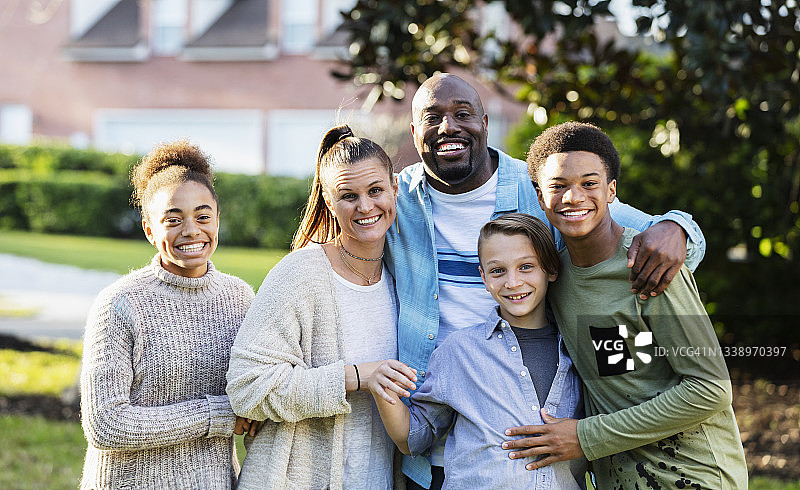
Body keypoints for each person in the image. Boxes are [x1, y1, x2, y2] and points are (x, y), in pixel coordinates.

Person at [384, 73, 708, 489]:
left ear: (484, 122)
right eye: (433, 118)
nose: (449, 127)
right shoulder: (396, 199)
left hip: (540, 429)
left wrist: (677, 226)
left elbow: (650, 238)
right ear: (415, 132)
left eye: (462, 114)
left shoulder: (541, 188)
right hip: (431, 437)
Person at [502, 121, 746, 488]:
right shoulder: (555, 276)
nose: (573, 197)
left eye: (589, 183)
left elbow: (710, 388)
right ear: (539, 196)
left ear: (611, 189)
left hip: (693, 476)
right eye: (558, 186)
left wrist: (585, 436)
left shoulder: (649, 268)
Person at [226, 125, 406, 489]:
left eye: (375, 190)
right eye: (348, 196)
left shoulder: (403, 277)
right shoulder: (301, 274)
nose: (366, 206)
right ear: (328, 201)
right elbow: (247, 388)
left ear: (395, 190)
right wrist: (356, 377)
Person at [79, 140, 256, 489]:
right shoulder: (119, 304)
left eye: (202, 216)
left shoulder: (241, 298)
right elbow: (106, 423)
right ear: (149, 229)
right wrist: (217, 414)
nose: (191, 231)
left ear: (217, 219)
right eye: (172, 220)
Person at [369, 213, 586, 489]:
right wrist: (380, 387)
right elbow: (412, 437)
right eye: (498, 271)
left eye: (526, 267)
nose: (513, 282)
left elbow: (626, 399)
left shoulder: (580, 349)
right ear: (483, 277)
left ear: (551, 270)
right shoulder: (459, 352)